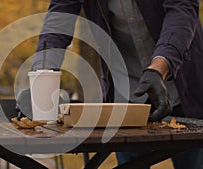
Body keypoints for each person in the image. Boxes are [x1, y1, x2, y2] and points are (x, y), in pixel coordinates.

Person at [30, 0, 203, 168]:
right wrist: (41, 76)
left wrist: (159, 68)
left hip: (184, 89)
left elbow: (182, 10)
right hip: (127, 97)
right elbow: (59, 20)